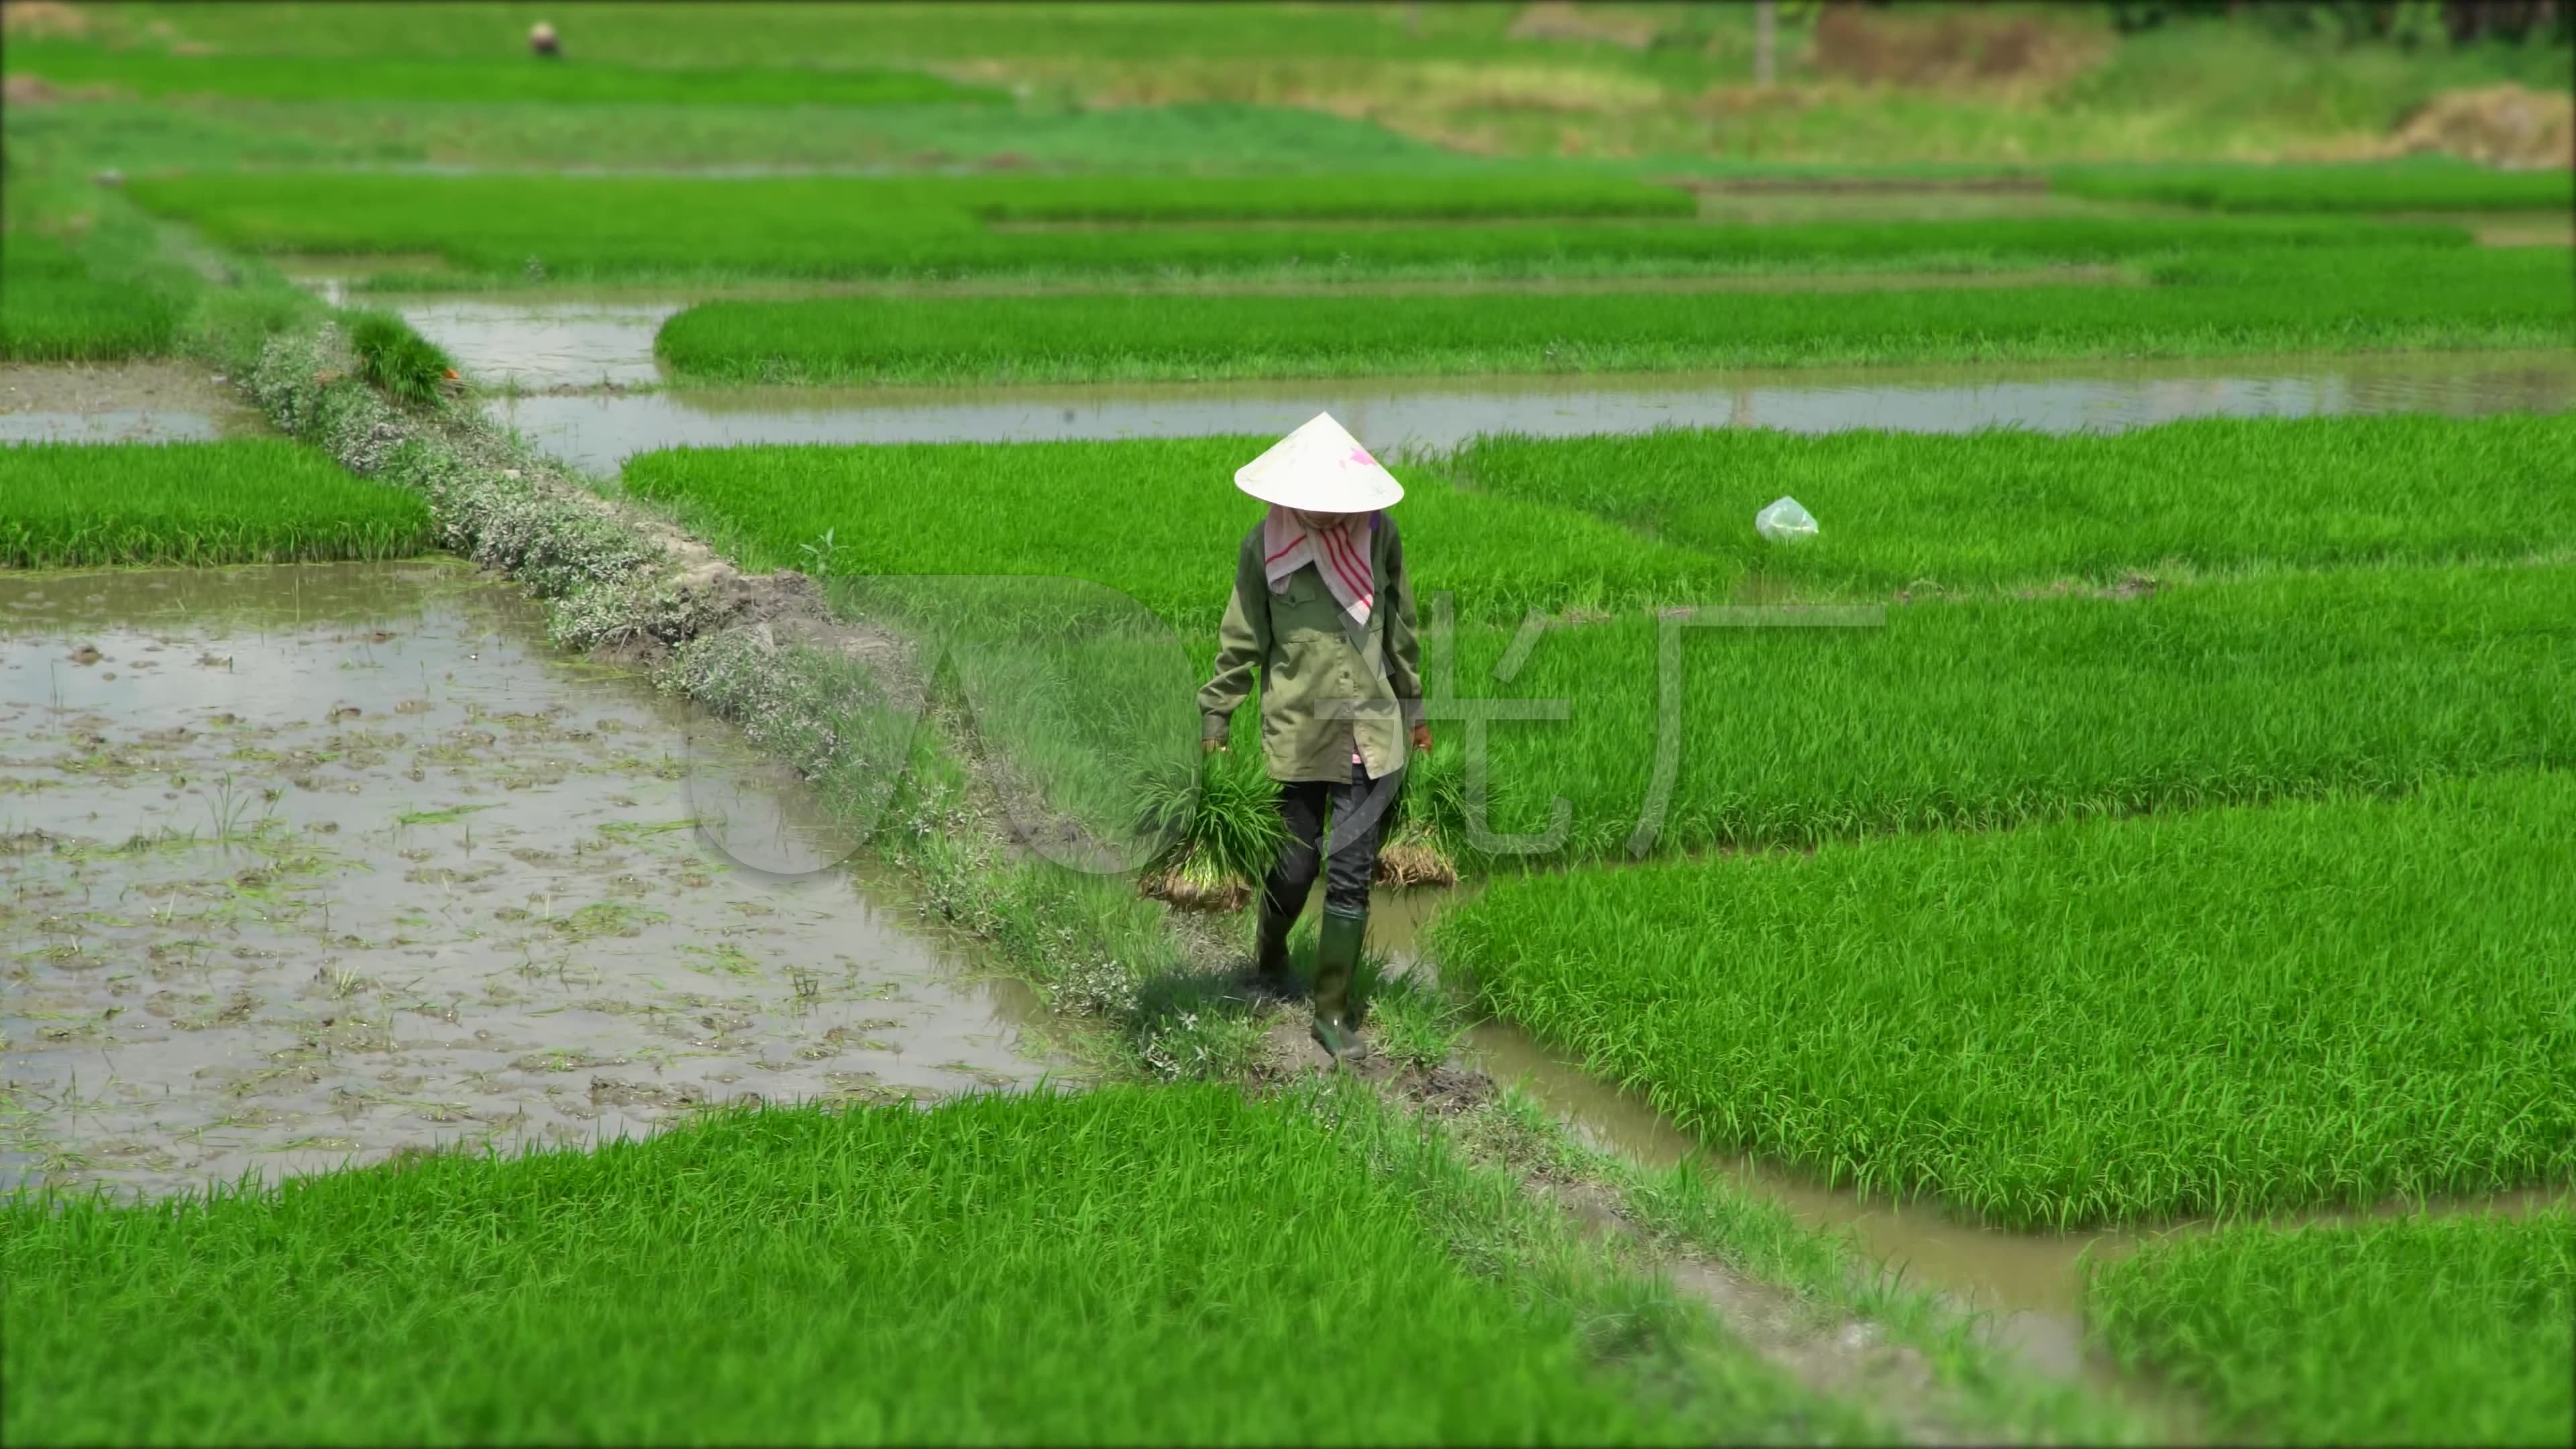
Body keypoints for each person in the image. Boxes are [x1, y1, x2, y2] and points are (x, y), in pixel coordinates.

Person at [1197, 413, 1431, 1063]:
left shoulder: (1379, 537)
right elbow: (1241, 639)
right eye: (1315, 506)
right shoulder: (1263, 547)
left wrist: (1415, 709)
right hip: (1299, 735)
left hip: (1372, 734)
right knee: (1295, 870)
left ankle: (1330, 1013)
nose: (1328, 518)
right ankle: (1269, 954)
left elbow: (1401, 629)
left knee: (1351, 875)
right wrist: (1218, 716)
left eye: (1338, 506)